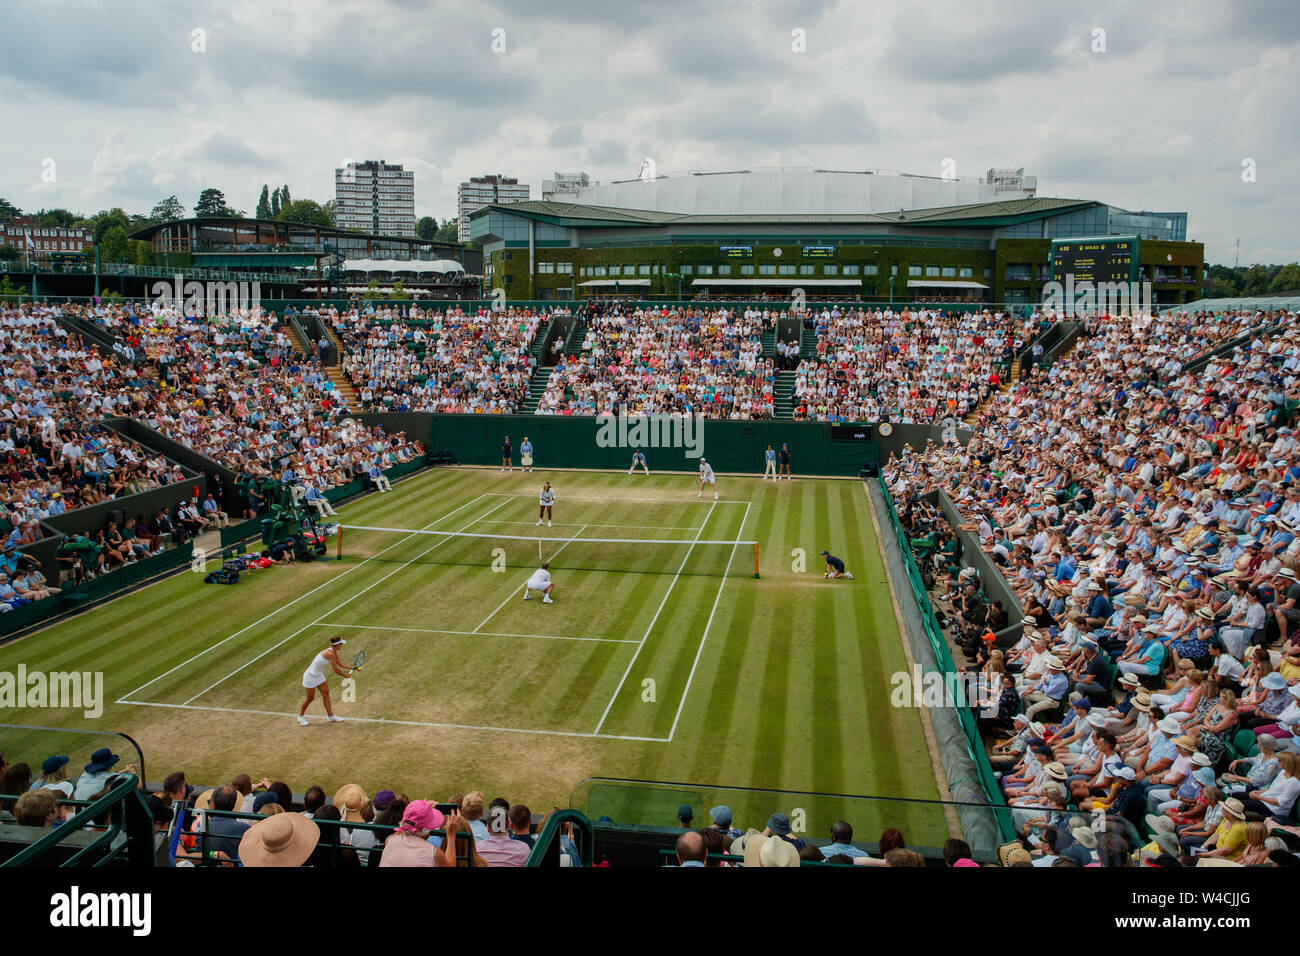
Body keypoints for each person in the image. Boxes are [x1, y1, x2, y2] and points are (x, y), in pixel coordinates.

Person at [297, 635, 355, 726]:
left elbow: (340, 664)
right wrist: (345, 675)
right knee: (310, 698)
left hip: (318, 675)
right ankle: (301, 717)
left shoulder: (333, 651)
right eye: (341, 644)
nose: (342, 645)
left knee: (326, 694)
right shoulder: (330, 654)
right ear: (337, 645)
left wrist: (354, 668)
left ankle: (331, 716)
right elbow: (336, 670)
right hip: (310, 676)